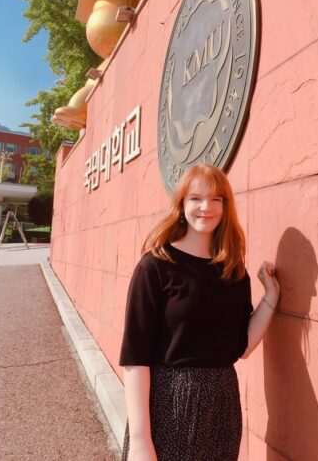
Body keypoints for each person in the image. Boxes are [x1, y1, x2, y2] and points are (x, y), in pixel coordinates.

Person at [119, 163, 280, 461]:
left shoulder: (233, 271)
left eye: (216, 199)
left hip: (222, 404)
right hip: (169, 404)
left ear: (225, 206)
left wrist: (270, 296)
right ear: (181, 204)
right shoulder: (155, 266)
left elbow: (242, 347)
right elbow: (135, 358)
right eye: (196, 198)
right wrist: (141, 441)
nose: (206, 207)